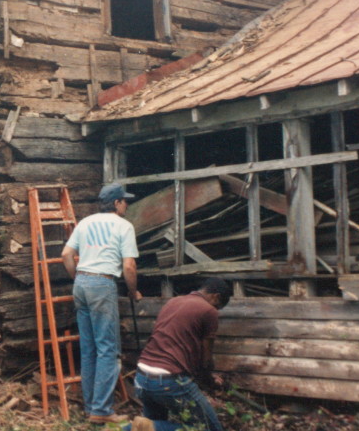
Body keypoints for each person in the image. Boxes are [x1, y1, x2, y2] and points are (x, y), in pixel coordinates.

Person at [61, 182, 142, 425]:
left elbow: (66, 254)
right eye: (124, 201)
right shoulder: (123, 226)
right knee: (108, 349)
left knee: (89, 349)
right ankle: (102, 410)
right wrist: (133, 291)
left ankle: (91, 407)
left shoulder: (85, 222)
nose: (127, 204)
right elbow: (129, 266)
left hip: (82, 284)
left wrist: (79, 278)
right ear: (116, 203)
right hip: (102, 284)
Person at [127, 277, 232, 431]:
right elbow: (206, 358)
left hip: (142, 375)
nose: (217, 309)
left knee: (152, 426)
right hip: (168, 380)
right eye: (219, 306)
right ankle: (146, 427)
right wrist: (210, 380)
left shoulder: (174, 302)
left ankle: (133, 428)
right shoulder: (209, 311)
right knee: (207, 427)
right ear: (216, 296)